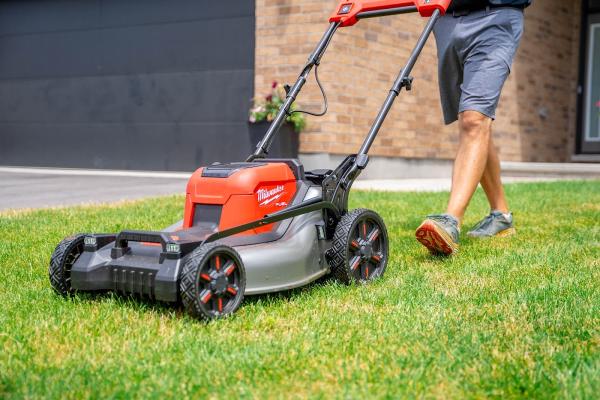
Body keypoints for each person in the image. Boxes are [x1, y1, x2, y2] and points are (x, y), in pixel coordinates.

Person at [415, 0, 532, 256]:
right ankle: (501, 216)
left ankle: (451, 221)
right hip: (446, 17)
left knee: (474, 118)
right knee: (473, 120)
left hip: (496, 17)